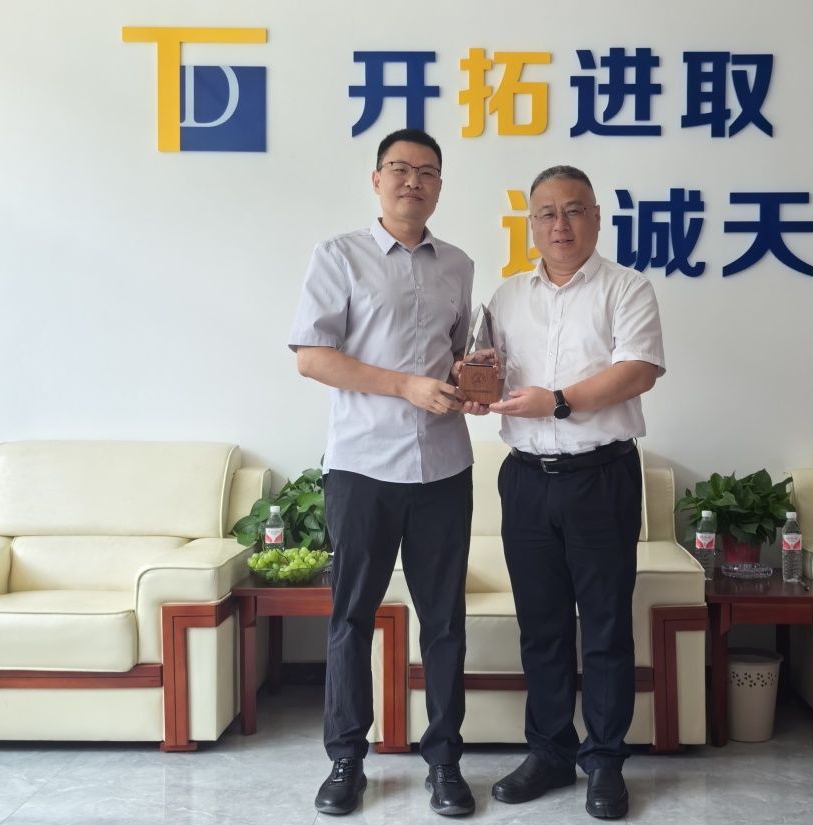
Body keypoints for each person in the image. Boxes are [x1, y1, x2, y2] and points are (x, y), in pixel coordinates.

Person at [288, 128, 482, 817]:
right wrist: (405, 385)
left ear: (439, 186)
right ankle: (346, 759)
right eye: (399, 168)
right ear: (377, 180)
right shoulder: (338, 256)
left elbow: (456, 356)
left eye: (427, 171)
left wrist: (473, 379)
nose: (412, 181)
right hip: (363, 465)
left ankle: (445, 760)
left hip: (444, 467)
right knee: (351, 616)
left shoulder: (458, 264)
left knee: (444, 620)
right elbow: (312, 356)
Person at [484, 165, 665, 820]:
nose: (559, 224)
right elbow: (491, 371)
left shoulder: (627, 287)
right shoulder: (506, 296)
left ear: (596, 217)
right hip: (526, 479)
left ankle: (606, 760)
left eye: (573, 210)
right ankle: (550, 751)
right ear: (531, 223)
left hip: (601, 478)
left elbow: (638, 370)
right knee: (543, 625)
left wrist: (557, 400)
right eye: (546, 213)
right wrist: (477, 386)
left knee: (607, 625)